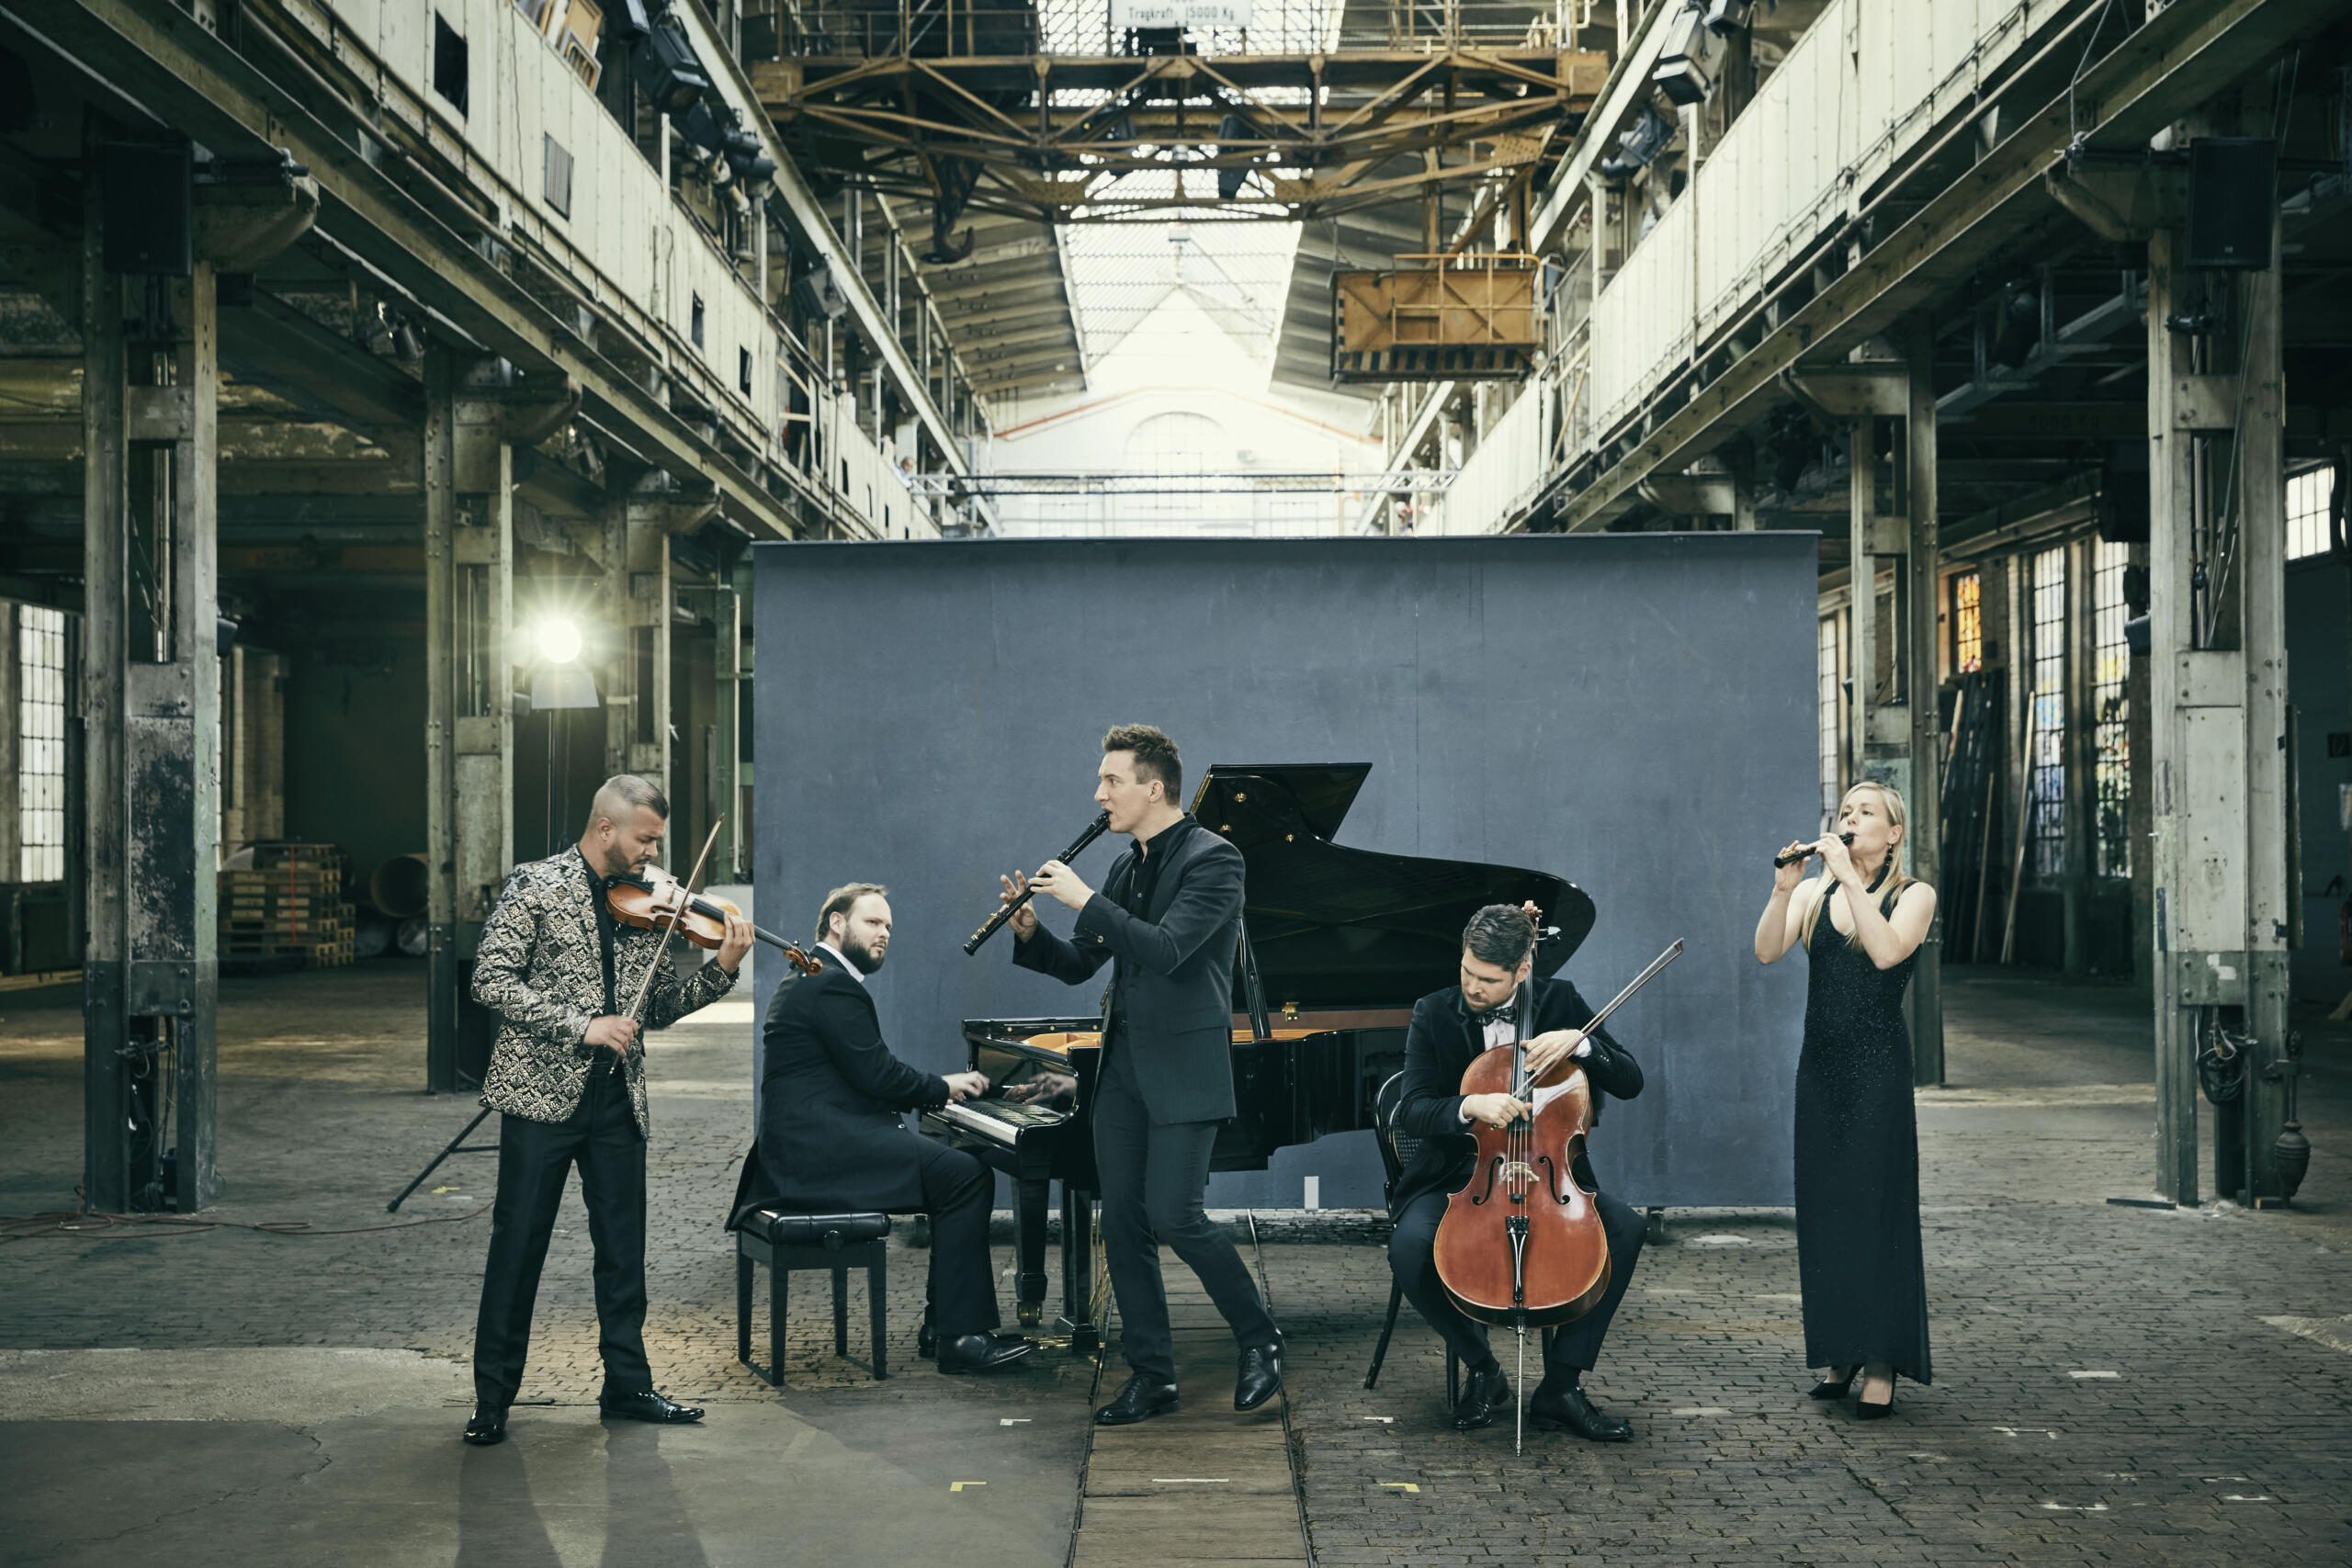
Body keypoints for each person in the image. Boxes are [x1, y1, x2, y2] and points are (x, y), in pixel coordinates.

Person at [998, 723, 1283, 1426]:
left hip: (1186, 1068)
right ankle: (1152, 1373)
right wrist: (1033, 933)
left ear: (1153, 788)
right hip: (1122, 1071)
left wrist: (1081, 898)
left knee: (1175, 1216)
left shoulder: (1217, 860)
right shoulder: (1129, 865)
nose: (1099, 795)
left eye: (1111, 781)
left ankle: (1260, 1338)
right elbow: (1082, 963)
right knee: (1121, 1222)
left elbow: (1168, 949)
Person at [464, 775, 752, 1446]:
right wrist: (581, 1025)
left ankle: (627, 1384)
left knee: (623, 1252)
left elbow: (654, 1009)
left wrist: (722, 969)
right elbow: (490, 978)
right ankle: (492, 1398)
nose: (653, 852)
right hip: (539, 1098)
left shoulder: (645, 902)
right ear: (605, 827)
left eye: (656, 839)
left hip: (618, 1099)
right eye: (644, 838)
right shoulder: (535, 885)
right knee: (518, 1248)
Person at [745, 883, 1034, 1373]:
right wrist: (942, 1087)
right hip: (819, 1156)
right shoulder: (829, 982)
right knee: (964, 1177)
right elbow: (878, 1074)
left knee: (961, 1168)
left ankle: (941, 1325)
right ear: (837, 923)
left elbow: (867, 1074)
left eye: (888, 928)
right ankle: (960, 1338)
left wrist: (957, 1090)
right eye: (873, 922)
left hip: (805, 1149)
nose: (884, 934)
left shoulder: (811, 978)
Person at [1385, 903, 1649, 1440]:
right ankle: (1484, 1370)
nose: (1472, 987)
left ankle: (1562, 1385)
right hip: (1460, 1177)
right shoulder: (1433, 1012)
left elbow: (1630, 1080)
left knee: (1626, 1228)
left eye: (1487, 979)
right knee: (1407, 1247)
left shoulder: (1560, 1001)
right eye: (1467, 971)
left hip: (1550, 1174)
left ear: (1521, 971)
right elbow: (1410, 1108)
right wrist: (1470, 1107)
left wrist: (1585, 1044)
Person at [1754, 781, 1938, 1419]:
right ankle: (1840, 1349)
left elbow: (1887, 953)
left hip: (1878, 1071)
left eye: (1866, 813)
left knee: (1876, 1210)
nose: (1851, 819)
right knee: (1828, 1209)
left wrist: (1852, 880)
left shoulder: (1915, 896)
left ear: (1893, 834)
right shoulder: (1814, 891)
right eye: (1846, 810)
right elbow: (1766, 949)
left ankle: (1882, 1356)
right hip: (1822, 1070)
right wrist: (1784, 889)